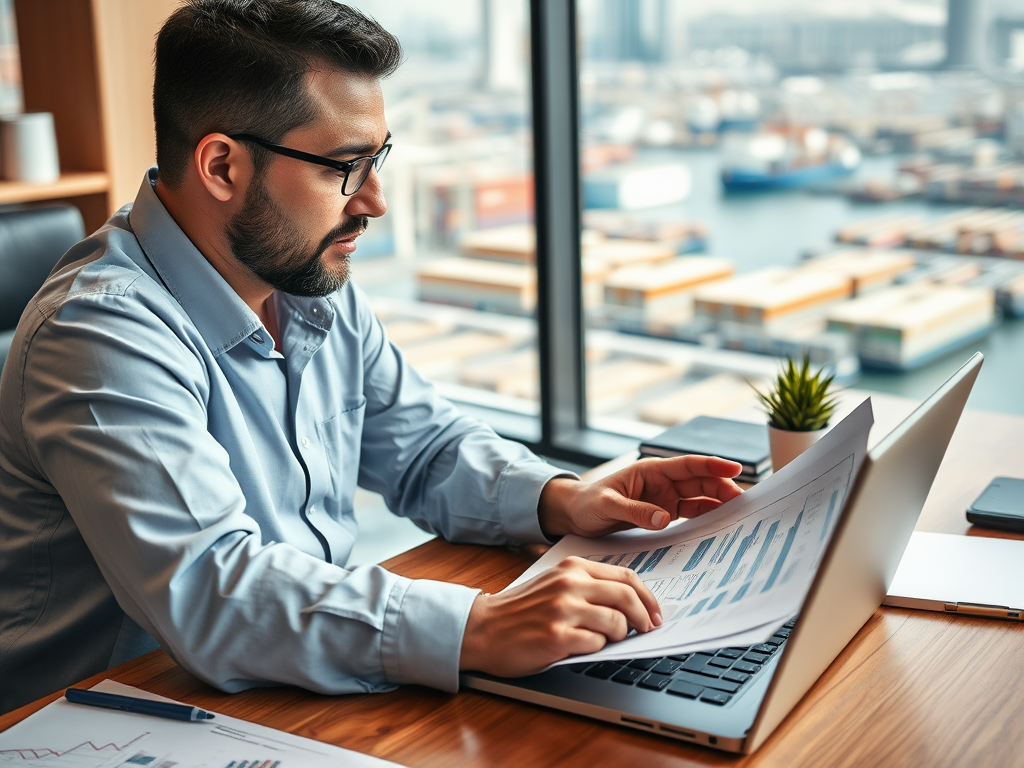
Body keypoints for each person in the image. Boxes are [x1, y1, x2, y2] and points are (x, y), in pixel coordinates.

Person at [0, 0, 743, 715]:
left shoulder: (303, 281)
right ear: (222, 167)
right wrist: (477, 627)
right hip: (108, 719)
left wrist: (560, 499)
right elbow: (210, 590)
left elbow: (423, 448)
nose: (375, 201)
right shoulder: (100, 334)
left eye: (377, 158)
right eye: (344, 166)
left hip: (277, 694)